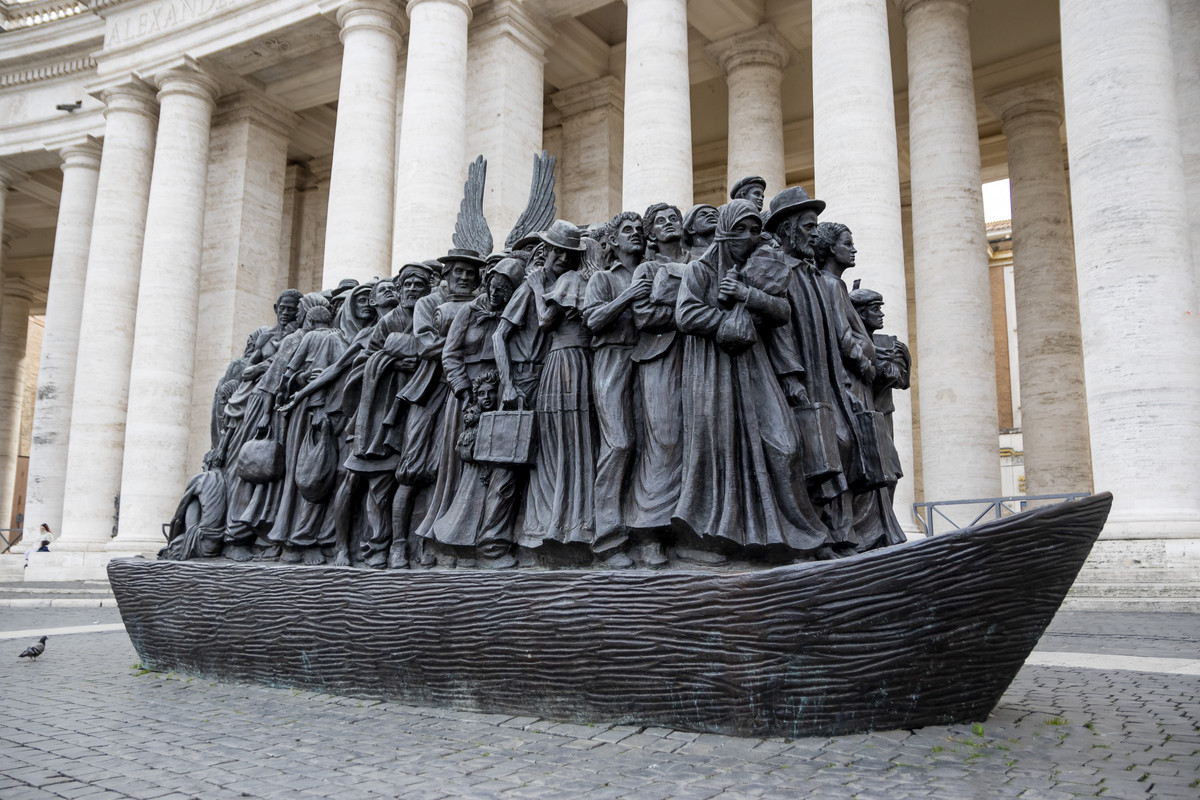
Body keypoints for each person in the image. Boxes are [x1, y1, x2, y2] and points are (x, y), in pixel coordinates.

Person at [674, 200, 828, 563]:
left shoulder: (758, 270)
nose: (748, 237)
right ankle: (710, 539)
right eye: (740, 229)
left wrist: (747, 295)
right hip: (713, 367)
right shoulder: (700, 270)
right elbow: (685, 314)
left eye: (754, 229)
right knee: (720, 451)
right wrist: (725, 321)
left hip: (754, 365)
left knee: (784, 445)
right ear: (725, 231)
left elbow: (782, 310)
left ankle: (791, 534)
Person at [509, 220, 598, 564]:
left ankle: (564, 525)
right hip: (564, 366)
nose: (561, 257)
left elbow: (546, 320)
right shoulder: (572, 280)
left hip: (566, 364)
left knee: (567, 444)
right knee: (562, 445)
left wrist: (533, 287)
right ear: (545, 250)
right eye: (555, 250)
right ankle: (557, 525)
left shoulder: (570, 280)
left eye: (568, 252)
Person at [582, 212, 649, 567]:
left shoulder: (650, 272)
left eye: (639, 230)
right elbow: (592, 321)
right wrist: (629, 297)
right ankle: (607, 539)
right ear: (613, 242)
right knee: (618, 443)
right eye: (628, 231)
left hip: (649, 361)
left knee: (647, 445)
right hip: (611, 361)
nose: (636, 234)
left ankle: (643, 530)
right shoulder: (603, 280)